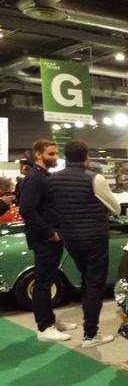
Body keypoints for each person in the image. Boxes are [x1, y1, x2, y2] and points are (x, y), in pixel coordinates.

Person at [49, 139, 121, 348]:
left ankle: (89, 331)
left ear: (66, 156)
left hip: (70, 238)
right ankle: (90, 334)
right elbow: (115, 208)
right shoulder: (94, 178)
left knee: (86, 280)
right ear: (87, 156)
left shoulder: (54, 180)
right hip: (94, 237)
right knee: (95, 284)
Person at [18, 139, 78, 342]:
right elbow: (26, 209)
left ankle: (50, 320)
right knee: (43, 284)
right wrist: (49, 233)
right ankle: (44, 327)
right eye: (50, 154)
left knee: (47, 280)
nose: (54, 157)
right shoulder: (35, 178)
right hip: (45, 239)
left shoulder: (43, 176)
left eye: (55, 154)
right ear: (38, 154)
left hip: (51, 237)